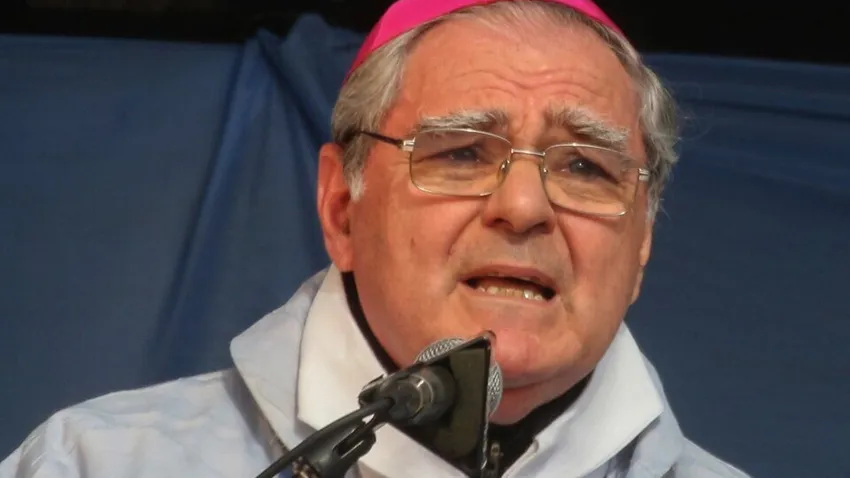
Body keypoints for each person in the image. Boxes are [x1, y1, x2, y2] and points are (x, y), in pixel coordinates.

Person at [1, 0, 751, 477]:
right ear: (341, 208)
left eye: (585, 167)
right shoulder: (96, 464)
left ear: (641, 241)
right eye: (462, 153)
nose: (524, 207)